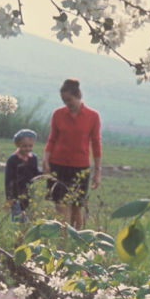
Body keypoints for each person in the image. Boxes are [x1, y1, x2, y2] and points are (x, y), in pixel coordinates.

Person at [43, 78, 101, 228]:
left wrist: (97, 171)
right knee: (60, 207)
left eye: (69, 100)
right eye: (64, 100)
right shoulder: (58, 114)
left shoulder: (93, 116)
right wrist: (45, 160)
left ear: (78, 95)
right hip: (57, 165)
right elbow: (52, 138)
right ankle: (62, 242)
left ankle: (76, 242)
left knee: (76, 207)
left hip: (80, 167)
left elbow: (96, 144)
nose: (67, 104)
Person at [4, 128, 41, 222]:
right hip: (16, 196)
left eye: (30, 146)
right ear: (17, 145)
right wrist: (9, 198)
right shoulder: (12, 160)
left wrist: (45, 172)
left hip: (29, 194)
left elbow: (36, 172)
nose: (28, 149)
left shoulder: (33, 158)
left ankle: (25, 235)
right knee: (17, 219)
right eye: (24, 146)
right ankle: (18, 235)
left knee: (28, 218)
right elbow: (8, 180)